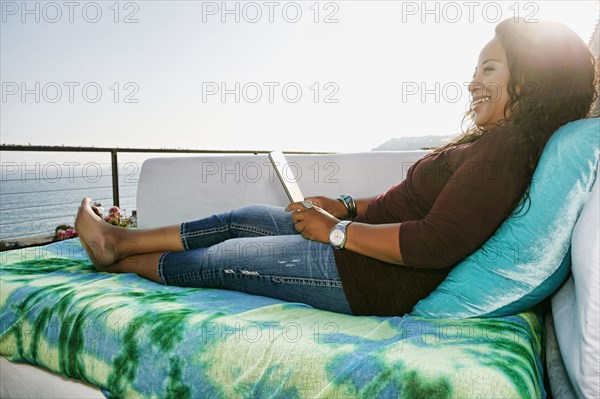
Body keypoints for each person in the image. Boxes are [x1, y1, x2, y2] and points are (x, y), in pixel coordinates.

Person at [75, 18, 597, 317]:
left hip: (367, 276)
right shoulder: (494, 143)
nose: (471, 83)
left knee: (225, 257)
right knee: (244, 214)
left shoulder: (504, 154)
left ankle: (114, 270)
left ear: (531, 81)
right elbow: (414, 205)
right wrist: (343, 206)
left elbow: (435, 243)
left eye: (488, 68)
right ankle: (119, 242)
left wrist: (337, 233)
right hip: (358, 240)